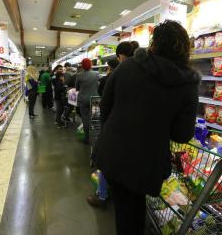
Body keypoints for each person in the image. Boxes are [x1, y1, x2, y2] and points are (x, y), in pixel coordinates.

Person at [96, 20, 201, 234]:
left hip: (113, 151)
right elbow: (182, 135)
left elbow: (105, 104)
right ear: (184, 48)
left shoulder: (128, 66)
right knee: (134, 208)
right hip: (147, 162)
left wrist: (115, 130)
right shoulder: (187, 84)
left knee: (125, 211)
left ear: (154, 43)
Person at [86, 57, 120, 207]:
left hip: (112, 125)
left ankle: (102, 195)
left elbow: (104, 100)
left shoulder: (111, 77)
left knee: (105, 160)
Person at [76, 58, 99, 145]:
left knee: (85, 119)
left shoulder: (79, 75)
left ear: (82, 65)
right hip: (95, 99)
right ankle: (96, 139)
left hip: (83, 99)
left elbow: (77, 88)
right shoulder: (96, 74)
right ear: (91, 65)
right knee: (96, 119)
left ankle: (87, 139)